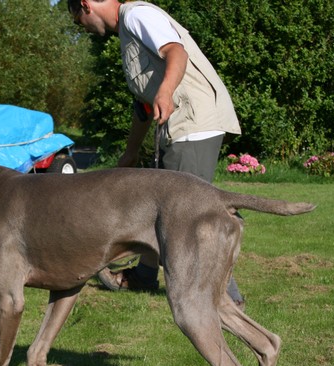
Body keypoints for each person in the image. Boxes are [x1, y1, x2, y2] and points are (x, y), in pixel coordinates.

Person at [68, 0, 244, 306]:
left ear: (86, 4)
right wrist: (131, 154)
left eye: (77, 20)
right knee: (160, 203)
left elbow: (176, 51)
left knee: (187, 214)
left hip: (194, 121)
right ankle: (144, 276)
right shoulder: (127, 31)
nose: (81, 28)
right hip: (181, 124)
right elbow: (144, 107)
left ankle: (227, 298)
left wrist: (165, 90)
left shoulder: (137, 15)